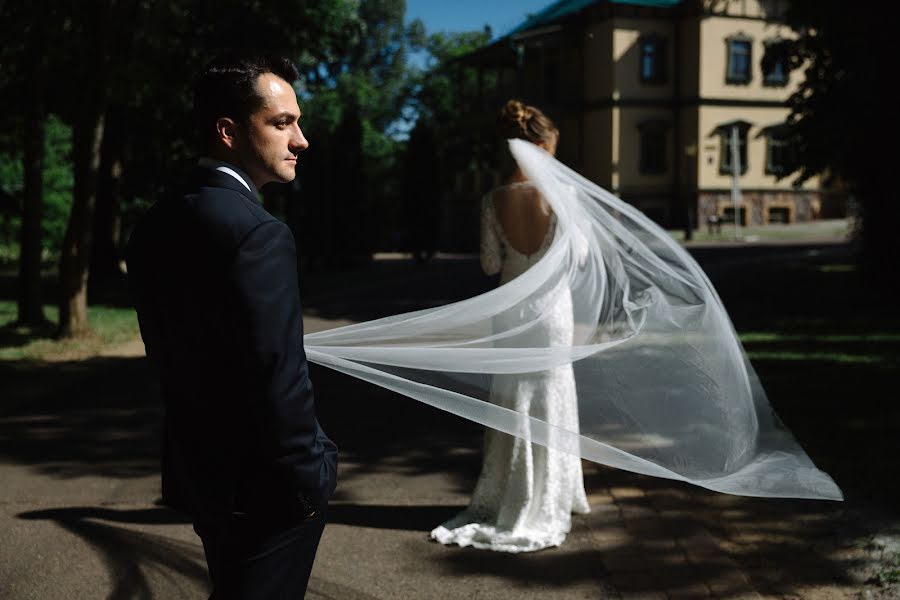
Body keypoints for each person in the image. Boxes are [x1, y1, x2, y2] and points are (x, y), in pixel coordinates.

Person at [126, 54, 337, 599]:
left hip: (201, 473)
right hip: (266, 487)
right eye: (282, 123)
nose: (301, 140)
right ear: (228, 131)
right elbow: (278, 371)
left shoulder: (157, 219)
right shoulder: (259, 232)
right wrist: (311, 471)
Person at [429, 100, 591, 553]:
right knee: (551, 400)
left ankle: (506, 494)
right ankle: (553, 496)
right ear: (540, 147)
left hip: (511, 311)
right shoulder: (565, 197)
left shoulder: (492, 199)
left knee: (511, 400)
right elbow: (577, 260)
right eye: (551, 150)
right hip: (552, 314)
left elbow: (489, 264)